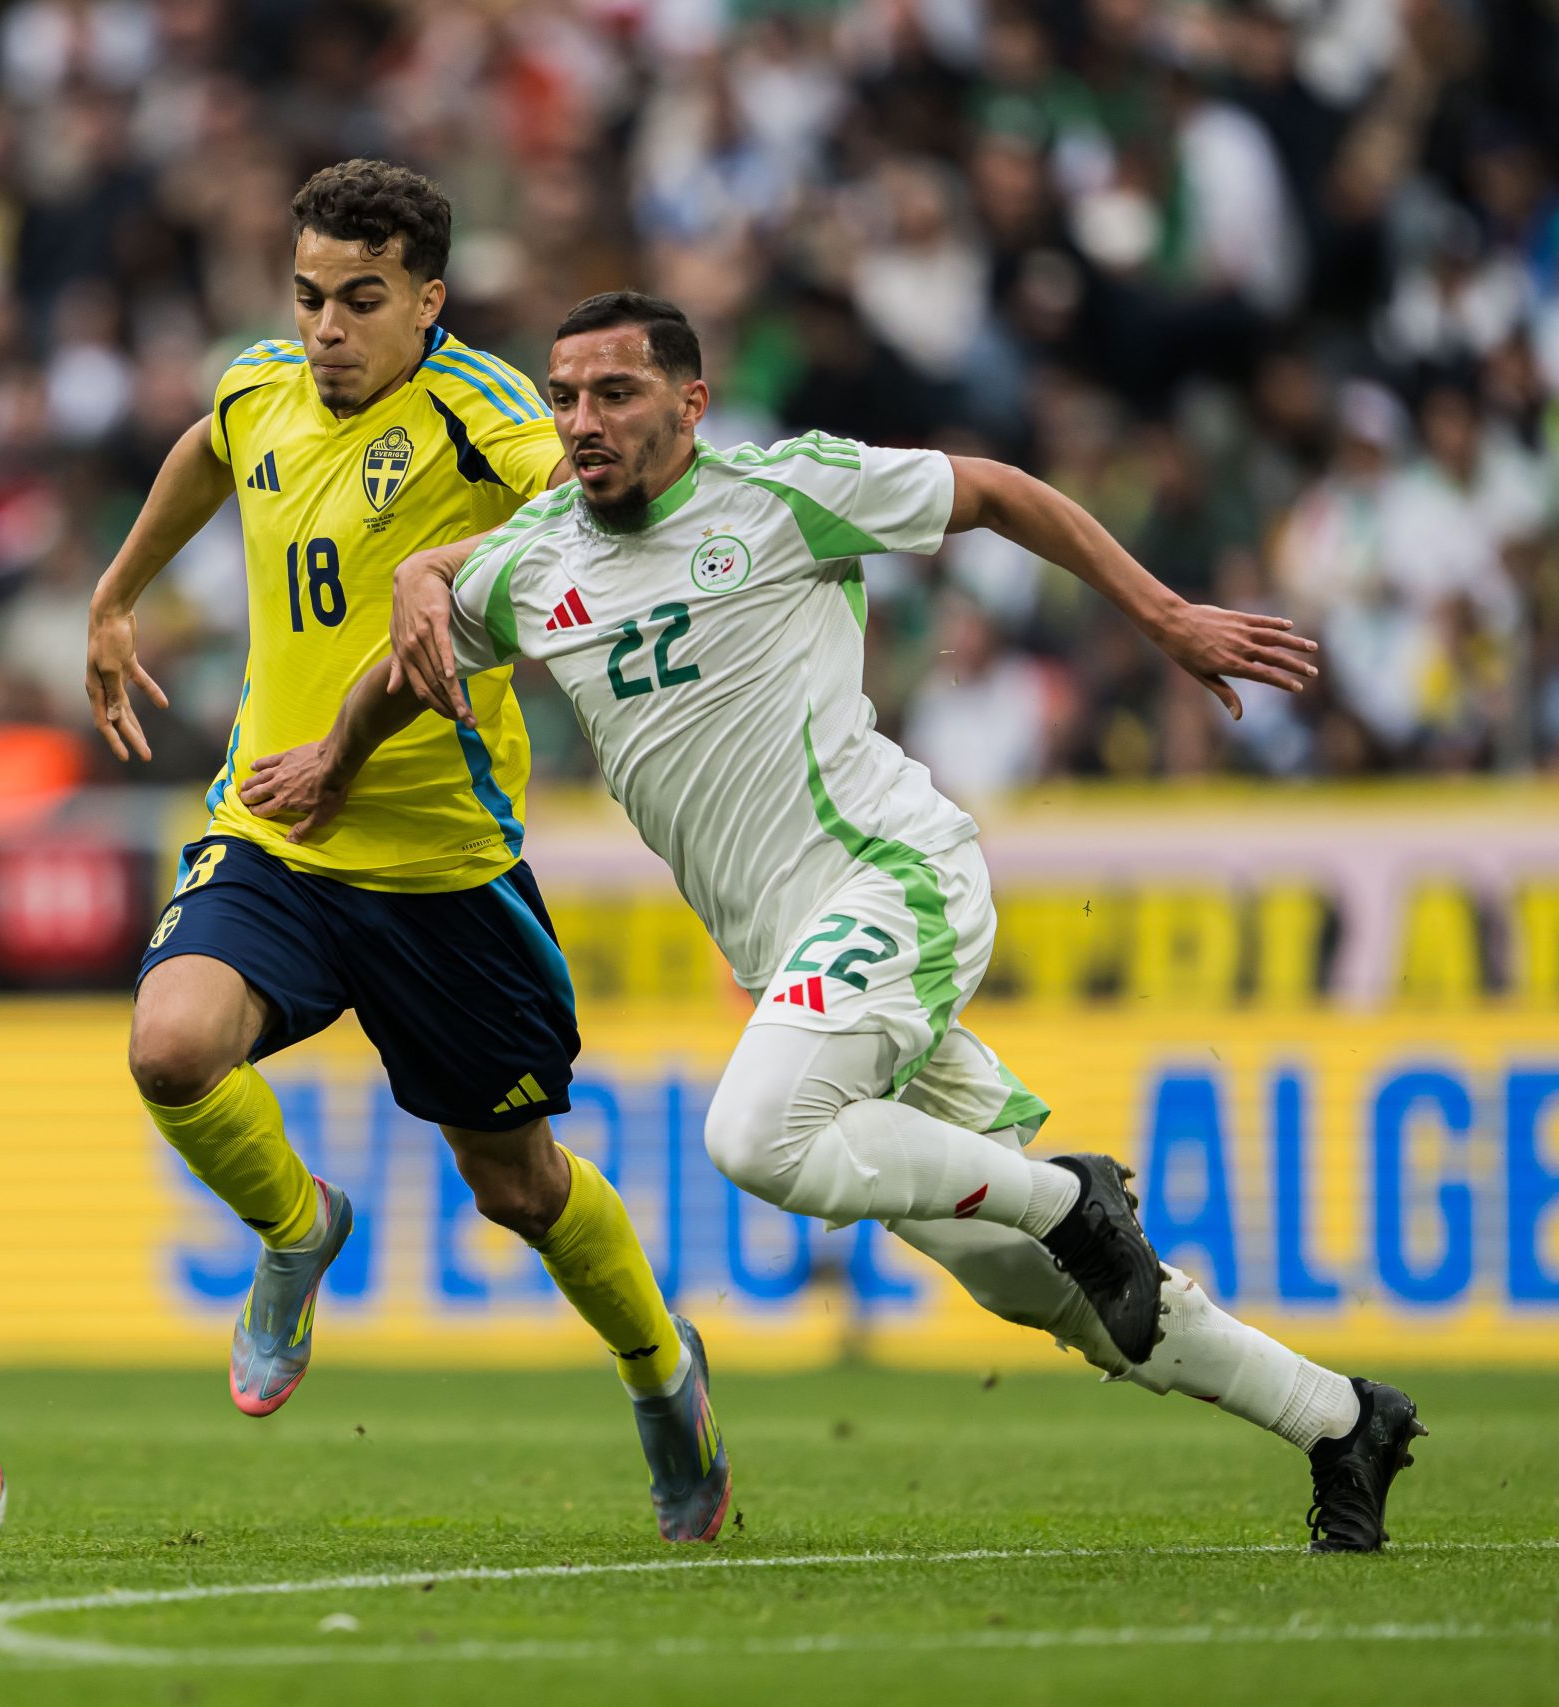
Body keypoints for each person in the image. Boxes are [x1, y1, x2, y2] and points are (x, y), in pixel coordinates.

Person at [247, 290, 1424, 1554]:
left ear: (690, 403)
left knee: (757, 1137)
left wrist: (1162, 616)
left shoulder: (779, 493)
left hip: (895, 881)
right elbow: (408, 669)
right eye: (564, 397)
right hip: (799, 959)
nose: (582, 422)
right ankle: (1339, 1421)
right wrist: (332, 756)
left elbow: (998, 491)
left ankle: (1068, 1197)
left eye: (616, 394)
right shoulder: (532, 560)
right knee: (1049, 1295)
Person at [87, 164, 729, 1542]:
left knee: (519, 1185)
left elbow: (591, 509)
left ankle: (660, 1370)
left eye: (361, 300)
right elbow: (207, 449)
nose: (326, 326)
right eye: (310, 295)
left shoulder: (484, 408)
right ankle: (296, 1228)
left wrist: (439, 568)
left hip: (443, 867)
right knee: (170, 1046)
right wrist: (116, 593)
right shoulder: (260, 386)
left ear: (427, 302)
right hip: (276, 828)